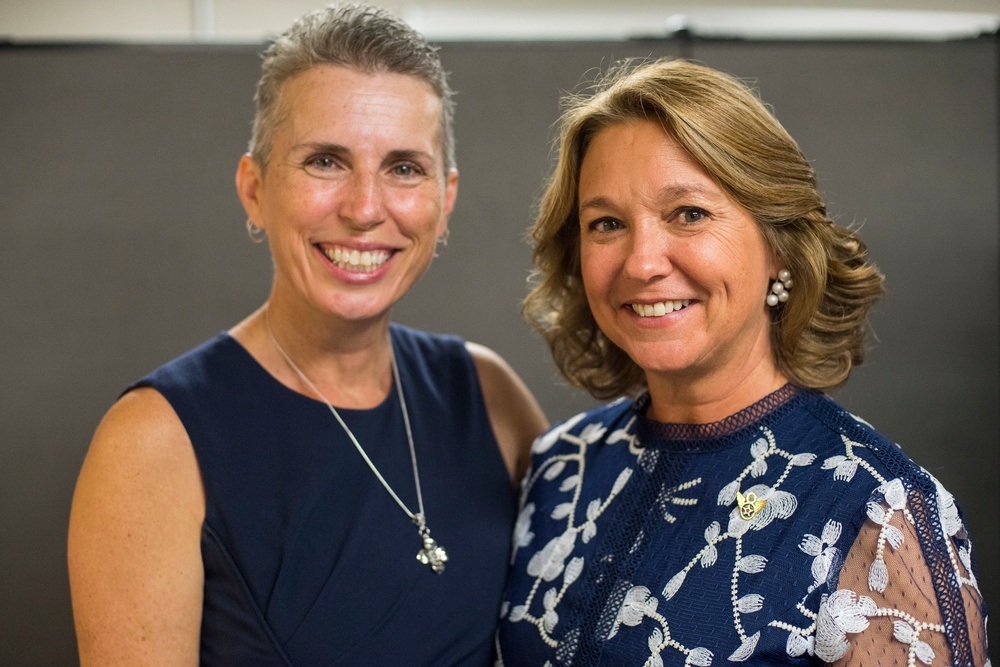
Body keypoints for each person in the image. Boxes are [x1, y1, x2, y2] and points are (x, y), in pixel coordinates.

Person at [68, 4, 548, 665]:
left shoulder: (489, 396)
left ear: (446, 200)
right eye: (326, 160)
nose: (364, 208)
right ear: (254, 188)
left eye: (404, 167)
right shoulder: (154, 443)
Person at [496, 59, 988, 666]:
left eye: (689, 214)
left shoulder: (879, 511)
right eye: (607, 224)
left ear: (779, 246)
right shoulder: (558, 468)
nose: (641, 262)